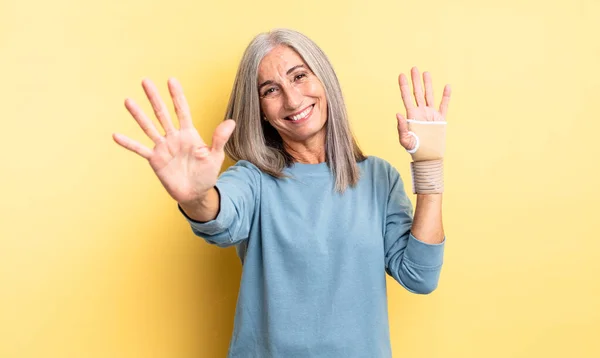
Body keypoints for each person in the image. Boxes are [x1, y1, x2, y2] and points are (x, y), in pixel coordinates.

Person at [113, 28, 451, 358]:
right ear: (259, 109)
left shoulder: (379, 178)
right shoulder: (252, 180)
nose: (292, 99)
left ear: (324, 80)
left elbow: (419, 276)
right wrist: (195, 196)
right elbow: (220, 217)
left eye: (300, 76)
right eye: (271, 90)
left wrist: (429, 165)